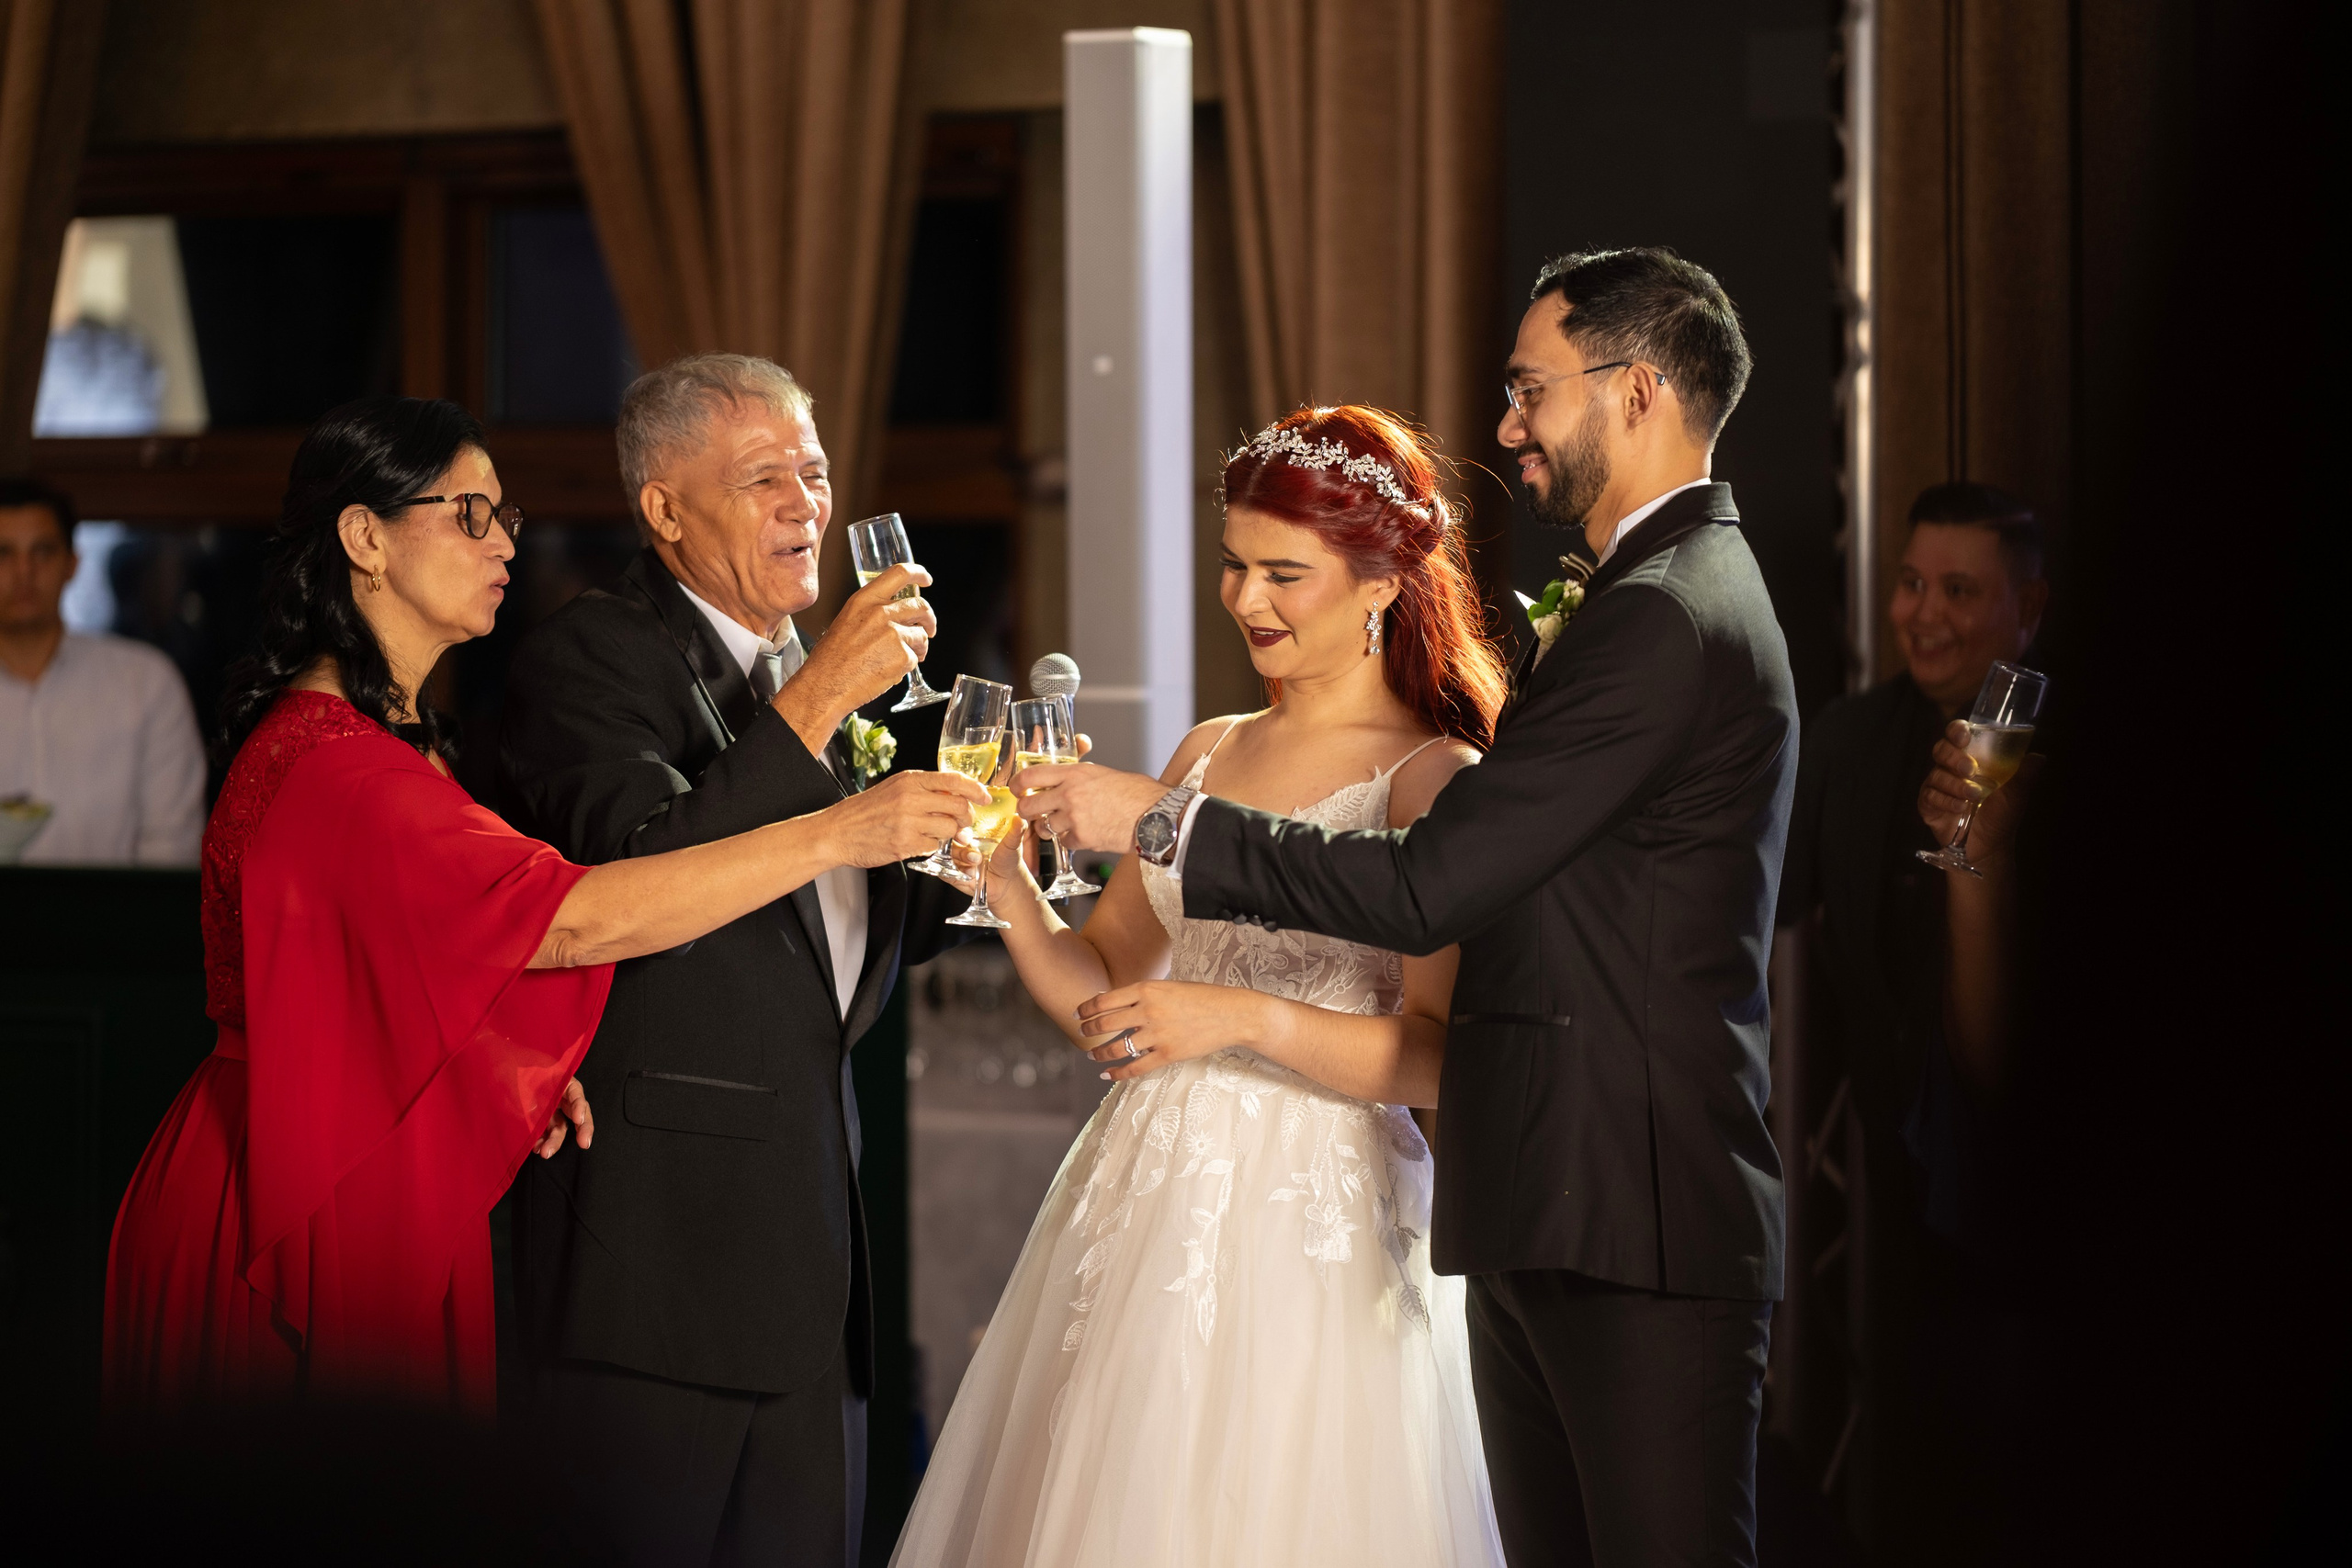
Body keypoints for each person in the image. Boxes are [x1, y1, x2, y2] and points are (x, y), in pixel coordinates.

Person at [1023, 248, 1797, 1568]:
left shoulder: (1668, 615)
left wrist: (1156, 822)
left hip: (1635, 1206)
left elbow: (1430, 883)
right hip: (1550, 1198)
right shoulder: (1637, 600)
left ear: (1640, 389)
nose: (1507, 427)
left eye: (1530, 390)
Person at [102, 396, 981, 1421]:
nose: (504, 545)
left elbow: (369, 965)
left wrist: (485, 1059)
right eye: (471, 514)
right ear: (364, 538)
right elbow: (575, 918)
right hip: (292, 1187)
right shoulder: (340, 769)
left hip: (351, 1156)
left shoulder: (373, 745)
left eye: (506, 518)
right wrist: (839, 832)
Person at [893, 405, 1510, 1568]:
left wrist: (1238, 1018)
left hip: (1322, 1221)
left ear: (1380, 583)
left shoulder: (1436, 779)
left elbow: (1437, 1055)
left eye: (1285, 573)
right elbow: (1106, 987)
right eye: (1234, 565)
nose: (1244, 600)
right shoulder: (1208, 750)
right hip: (1148, 1199)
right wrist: (1009, 886)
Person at [495, 354, 980, 1568]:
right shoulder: (592, 659)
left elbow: (849, 931)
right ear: (664, 509)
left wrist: (987, 851)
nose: (806, 503)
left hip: (813, 1269)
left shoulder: (817, 674)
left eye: (814, 471)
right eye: (765, 476)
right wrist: (815, 701)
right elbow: (647, 877)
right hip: (656, 1273)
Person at [1776, 481, 2048, 1563]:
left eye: (1959, 590)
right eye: (1909, 583)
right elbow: (1765, 909)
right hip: (1887, 1186)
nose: (1922, 614)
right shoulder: (1847, 738)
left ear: (2028, 610)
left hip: (2032, 1203)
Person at [0, 478, 204, 864]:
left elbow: (171, 852)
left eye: (42, 552)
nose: (23, 572)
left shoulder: (145, 682)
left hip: (116, 923)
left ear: (71, 564)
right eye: (3, 553)